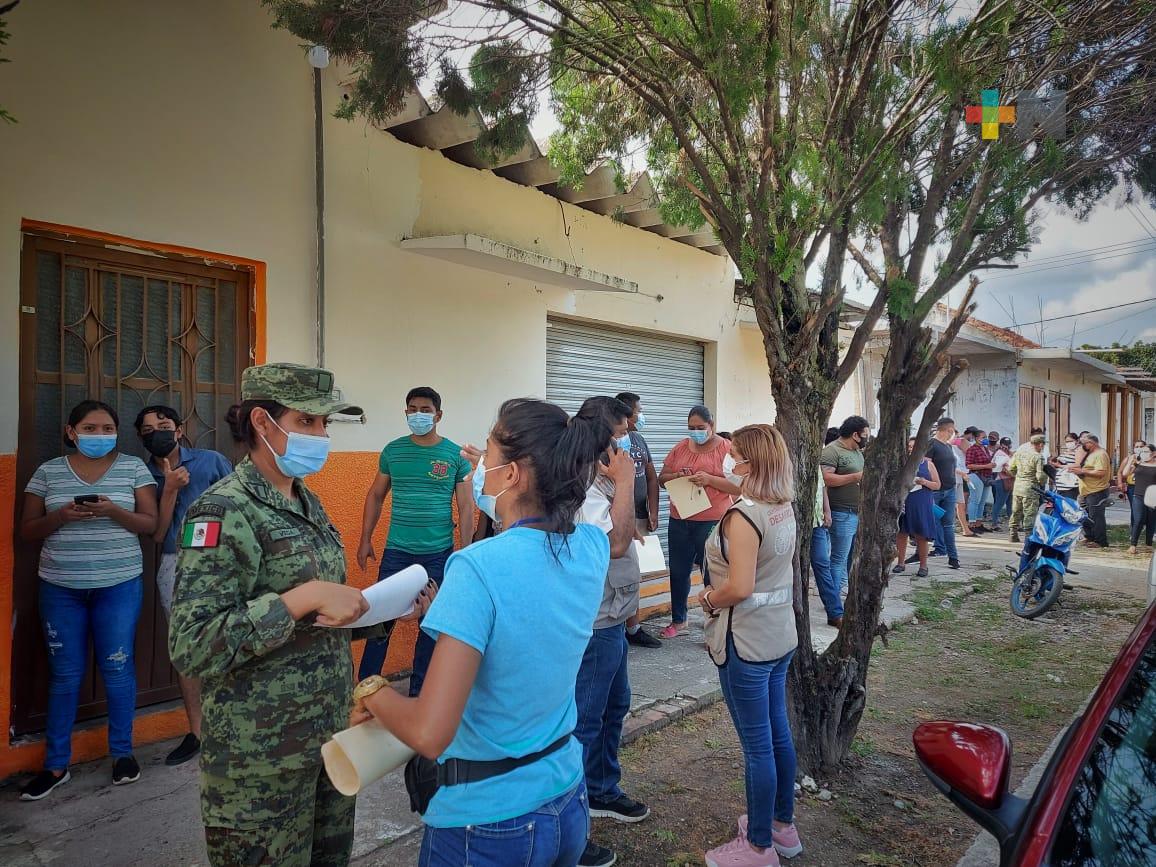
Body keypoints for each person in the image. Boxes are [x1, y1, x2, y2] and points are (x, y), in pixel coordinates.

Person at [169, 363, 432, 866]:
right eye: (308, 422)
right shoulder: (223, 511)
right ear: (263, 424)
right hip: (259, 760)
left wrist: (383, 610)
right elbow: (192, 643)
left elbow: (317, 623)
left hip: (329, 739)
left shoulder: (307, 502)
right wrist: (299, 597)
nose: (321, 435)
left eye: (325, 424)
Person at [352, 398, 613, 867]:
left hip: (489, 823)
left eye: (488, 452)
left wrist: (373, 694)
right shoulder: (591, 547)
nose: (479, 466)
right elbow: (526, 627)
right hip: (565, 797)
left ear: (511, 475)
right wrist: (447, 610)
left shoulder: (476, 567)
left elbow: (430, 733)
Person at [19, 401, 158, 801]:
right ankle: (56, 764)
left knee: (118, 667)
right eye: (90, 428)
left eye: (107, 427)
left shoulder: (133, 468)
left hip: (119, 584)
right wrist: (62, 517)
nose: (100, 435)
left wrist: (113, 510)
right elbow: (28, 531)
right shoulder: (47, 472)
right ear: (71, 431)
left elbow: (149, 525)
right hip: (60, 587)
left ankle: (122, 755)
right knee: (64, 674)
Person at [699, 425, 802, 867]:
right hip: (779, 635)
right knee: (778, 733)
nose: (727, 459)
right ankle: (782, 826)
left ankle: (758, 847)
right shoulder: (781, 504)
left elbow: (738, 586)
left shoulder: (742, 517)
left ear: (750, 462)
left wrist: (706, 598)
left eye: (734, 454)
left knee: (758, 745)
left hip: (746, 641)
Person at [572, 397, 651, 867]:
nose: (626, 441)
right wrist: (623, 482)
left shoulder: (597, 478)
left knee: (615, 705)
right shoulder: (583, 483)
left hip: (614, 613)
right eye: (621, 432)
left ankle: (602, 789)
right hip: (596, 616)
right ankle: (572, 825)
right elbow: (615, 542)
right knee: (586, 718)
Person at [356, 387, 474, 692]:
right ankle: (365, 690)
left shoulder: (454, 456)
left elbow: (464, 506)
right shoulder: (393, 451)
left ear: (438, 415)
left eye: (425, 409)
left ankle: (420, 693)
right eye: (412, 409)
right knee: (379, 623)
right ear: (406, 413)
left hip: (438, 553)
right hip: (397, 553)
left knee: (431, 625)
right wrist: (365, 539)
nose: (418, 414)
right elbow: (376, 495)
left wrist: (465, 552)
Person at [135, 405, 233, 767]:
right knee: (186, 650)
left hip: (221, 561)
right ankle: (198, 733)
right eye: (147, 430)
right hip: (176, 564)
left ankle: (234, 723)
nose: (156, 433)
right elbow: (158, 534)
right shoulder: (141, 474)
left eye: (163, 426)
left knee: (230, 638)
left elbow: (239, 504)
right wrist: (171, 489)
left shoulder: (210, 461)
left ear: (179, 429)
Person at [657, 406, 739, 638]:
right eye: (691, 428)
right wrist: (677, 477)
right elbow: (662, 479)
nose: (695, 432)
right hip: (680, 518)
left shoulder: (727, 450)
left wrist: (710, 480)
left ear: (711, 425)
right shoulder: (680, 448)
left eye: (700, 428)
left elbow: (738, 486)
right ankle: (678, 620)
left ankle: (714, 624)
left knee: (711, 573)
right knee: (678, 570)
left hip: (712, 520)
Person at [616, 391, 662, 649]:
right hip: (617, 520)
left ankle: (633, 627)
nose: (642, 415)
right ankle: (619, 626)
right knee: (619, 574)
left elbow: (652, 477)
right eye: (639, 410)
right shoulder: (608, 444)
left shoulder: (639, 439)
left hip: (640, 518)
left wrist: (653, 510)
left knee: (636, 573)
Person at [819, 416, 870, 593]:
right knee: (838, 557)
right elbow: (825, 479)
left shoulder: (856, 452)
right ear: (855, 434)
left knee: (851, 555)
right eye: (865, 434)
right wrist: (855, 477)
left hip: (857, 512)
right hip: (842, 512)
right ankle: (833, 595)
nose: (866, 438)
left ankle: (845, 588)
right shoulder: (832, 451)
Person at [893, 438, 941, 578]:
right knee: (901, 533)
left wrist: (924, 481)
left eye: (914, 446)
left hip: (922, 501)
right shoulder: (902, 463)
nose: (911, 449)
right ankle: (901, 563)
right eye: (909, 446)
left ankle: (923, 565)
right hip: (905, 500)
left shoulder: (928, 464)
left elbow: (937, 485)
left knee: (922, 534)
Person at [811, 427, 841, 627]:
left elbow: (823, 490)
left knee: (822, 564)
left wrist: (827, 512)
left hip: (817, 524)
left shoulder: (816, 464)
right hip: (792, 524)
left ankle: (835, 612)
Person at [925, 418, 962, 569]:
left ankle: (953, 557)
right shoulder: (931, 445)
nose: (952, 434)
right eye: (951, 431)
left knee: (948, 524)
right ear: (945, 430)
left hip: (949, 489)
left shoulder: (948, 446)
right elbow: (926, 466)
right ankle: (933, 549)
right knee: (932, 521)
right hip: (935, 491)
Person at [1071, 434, 1112, 548]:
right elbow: (1085, 467)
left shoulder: (1101, 454)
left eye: (1084, 444)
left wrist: (1083, 471)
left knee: (1096, 517)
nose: (1083, 446)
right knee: (1083, 515)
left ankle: (1100, 541)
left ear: (1091, 443)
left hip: (1097, 491)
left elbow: (1101, 472)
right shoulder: (1090, 454)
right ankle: (1089, 537)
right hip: (1085, 490)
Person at [1008, 434, 1049, 544]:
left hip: (1018, 486)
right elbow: (1040, 476)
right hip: (1031, 488)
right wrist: (1043, 482)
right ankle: (1028, 537)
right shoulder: (1038, 456)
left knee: (1016, 511)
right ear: (1040, 444)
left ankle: (1013, 534)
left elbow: (1010, 468)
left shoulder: (1019, 453)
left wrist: (1019, 477)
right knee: (1029, 512)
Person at [1124, 444, 1156, 553]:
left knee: (1151, 520)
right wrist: (1130, 461)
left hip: (1152, 496)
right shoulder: (1138, 464)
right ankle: (1133, 545)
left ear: (1154, 453)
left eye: (1146, 451)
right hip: (1138, 495)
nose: (1144, 453)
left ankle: (1148, 544)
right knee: (1138, 519)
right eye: (1142, 451)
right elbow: (1125, 473)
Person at [963, 427, 994, 532]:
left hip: (985, 476)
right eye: (983, 437)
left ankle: (978, 523)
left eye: (986, 437)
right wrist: (987, 466)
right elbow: (969, 465)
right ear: (976, 438)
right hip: (975, 476)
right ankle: (971, 524)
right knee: (975, 500)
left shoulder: (985, 449)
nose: (986, 439)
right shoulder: (972, 449)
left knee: (982, 502)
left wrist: (991, 465)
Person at [990, 437, 1014, 532]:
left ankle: (1013, 524)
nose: (1006, 446)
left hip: (1009, 480)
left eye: (1008, 444)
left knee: (1010, 503)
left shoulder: (1006, 453)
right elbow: (999, 468)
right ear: (1001, 444)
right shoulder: (1000, 453)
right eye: (1005, 444)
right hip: (1002, 480)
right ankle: (994, 524)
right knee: (1000, 502)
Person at [1052, 432, 1081, 501]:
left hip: (1070, 485)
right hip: (1060, 485)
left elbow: (1078, 465)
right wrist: (1055, 463)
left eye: (1071, 441)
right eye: (1067, 441)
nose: (1068, 443)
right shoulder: (1065, 452)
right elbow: (1060, 465)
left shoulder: (1079, 451)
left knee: (1069, 505)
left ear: (1077, 441)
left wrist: (1060, 465)